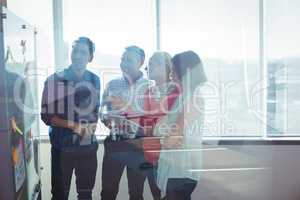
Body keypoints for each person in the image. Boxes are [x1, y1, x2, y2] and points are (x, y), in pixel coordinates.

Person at [41, 37, 100, 200]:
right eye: (75, 51)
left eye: (83, 52)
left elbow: (95, 111)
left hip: (87, 149)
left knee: (86, 195)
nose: (78, 55)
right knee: (59, 195)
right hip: (62, 148)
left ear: (90, 57)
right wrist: (74, 126)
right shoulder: (54, 79)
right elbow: (46, 116)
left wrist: (92, 127)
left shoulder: (95, 79)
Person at [100, 46, 154, 200]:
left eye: (129, 60)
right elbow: (102, 113)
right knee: (108, 192)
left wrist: (135, 123)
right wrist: (109, 122)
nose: (124, 63)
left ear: (140, 62)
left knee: (136, 193)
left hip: (138, 146)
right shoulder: (112, 84)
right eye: (122, 60)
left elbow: (153, 119)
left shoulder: (150, 87)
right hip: (115, 143)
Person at [153, 51, 207, 200]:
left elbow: (170, 138)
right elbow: (159, 128)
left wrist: (166, 138)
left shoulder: (194, 97)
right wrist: (167, 137)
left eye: (174, 70)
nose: (171, 74)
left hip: (182, 172)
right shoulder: (181, 97)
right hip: (175, 170)